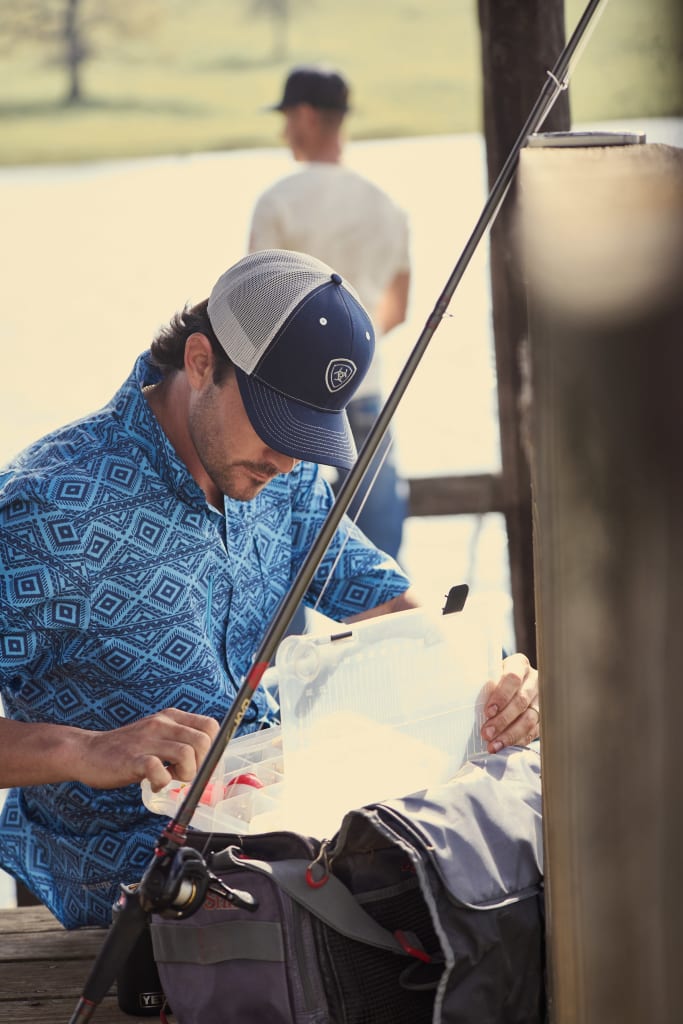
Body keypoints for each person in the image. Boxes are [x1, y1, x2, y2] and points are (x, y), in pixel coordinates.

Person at [0, 249, 539, 929]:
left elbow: (392, 605)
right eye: (276, 424)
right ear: (201, 362)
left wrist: (497, 677)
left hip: (286, 846)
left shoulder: (285, 481)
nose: (288, 460)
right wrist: (82, 750)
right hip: (138, 895)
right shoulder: (44, 510)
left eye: (309, 434)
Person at [248, 65, 410, 561]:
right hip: (366, 384)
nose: (284, 132)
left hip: (290, 402)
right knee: (380, 530)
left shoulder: (277, 202)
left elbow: (253, 306)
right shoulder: (387, 205)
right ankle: (389, 627)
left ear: (306, 117)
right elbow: (398, 309)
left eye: (287, 118)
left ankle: (285, 639)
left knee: (281, 537)